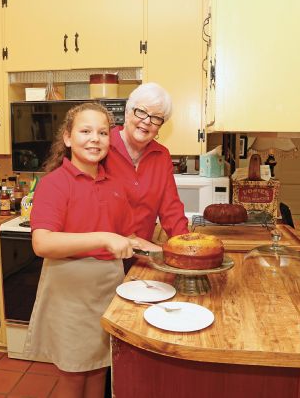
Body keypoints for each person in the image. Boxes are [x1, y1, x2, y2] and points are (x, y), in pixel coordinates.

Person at [22, 103, 159, 398]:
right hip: (69, 290)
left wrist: (159, 252)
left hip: (107, 289)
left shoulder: (115, 185)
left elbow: (126, 236)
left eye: (102, 132)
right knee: (73, 375)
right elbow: (42, 243)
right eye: (85, 131)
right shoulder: (53, 184)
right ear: (68, 138)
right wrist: (103, 238)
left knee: (99, 369)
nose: (94, 139)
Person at [104, 82, 189, 242]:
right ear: (127, 112)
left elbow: (171, 208)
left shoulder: (162, 156)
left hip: (140, 256)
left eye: (156, 117)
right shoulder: (103, 146)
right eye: (141, 112)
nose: (147, 121)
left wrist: (185, 246)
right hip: (102, 255)